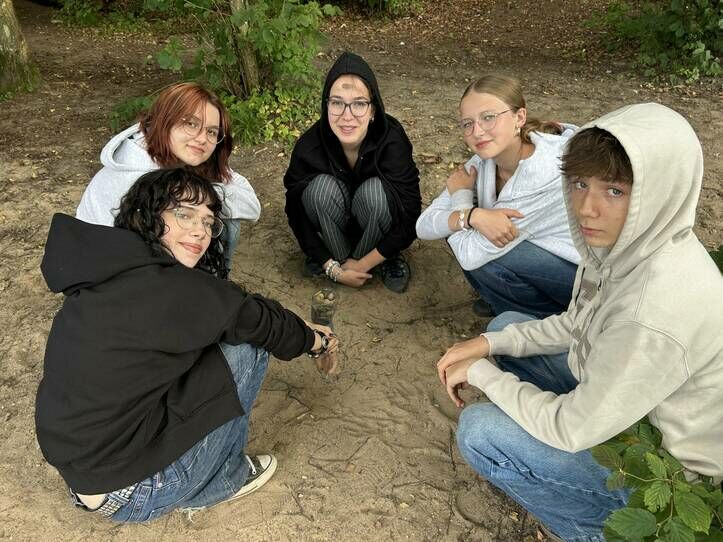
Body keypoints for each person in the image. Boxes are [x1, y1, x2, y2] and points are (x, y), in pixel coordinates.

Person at [437, 103, 723, 540]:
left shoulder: (653, 310)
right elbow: (576, 324)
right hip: (628, 407)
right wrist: (487, 347)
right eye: (580, 183)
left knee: (481, 432)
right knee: (502, 328)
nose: (588, 208)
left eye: (615, 191)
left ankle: (594, 531)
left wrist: (481, 375)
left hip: (663, 467)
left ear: (660, 190)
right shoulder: (625, 245)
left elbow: (571, 428)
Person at [36, 168, 338, 522]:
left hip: (83, 473)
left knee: (221, 334)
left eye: (209, 222)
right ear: (146, 216)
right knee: (248, 347)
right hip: (136, 492)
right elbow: (259, 321)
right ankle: (223, 481)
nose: (200, 231)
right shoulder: (174, 291)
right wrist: (318, 342)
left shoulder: (110, 268)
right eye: (184, 214)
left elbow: (234, 309)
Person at [416, 74, 580, 318]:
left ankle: (552, 320)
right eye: (467, 123)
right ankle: (505, 299)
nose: (477, 131)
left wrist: (462, 205)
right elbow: (423, 226)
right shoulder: (483, 162)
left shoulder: (544, 174)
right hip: (542, 257)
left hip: (584, 280)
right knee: (458, 226)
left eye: (488, 117)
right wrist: (470, 216)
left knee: (483, 255)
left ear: (519, 117)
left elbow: (470, 255)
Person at [76, 82, 261, 272]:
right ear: (165, 120)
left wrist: (203, 193)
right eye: (191, 124)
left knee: (218, 220)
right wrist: (205, 197)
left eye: (211, 132)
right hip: (106, 271)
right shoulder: (141, 181)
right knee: (212, 221)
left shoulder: (176, 149)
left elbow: (252, 206)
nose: (202, 138)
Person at [284, 52, 421, 293]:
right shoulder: (309, 145)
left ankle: (381, 259)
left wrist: (362, 264)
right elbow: (295, 211)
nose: (347, 116)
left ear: (373, 109)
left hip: (377, 225)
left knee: (376, 194)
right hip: (333, 228)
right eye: (337, 103)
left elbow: (410, 213)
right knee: (317, 191)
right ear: (326, 105)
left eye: (358, 103)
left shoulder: (392, 140)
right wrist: (330, 266)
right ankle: (334, 257)